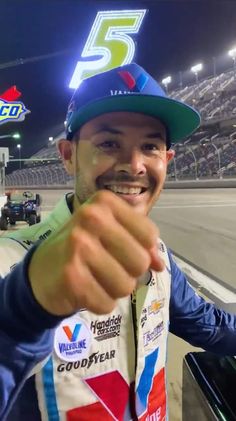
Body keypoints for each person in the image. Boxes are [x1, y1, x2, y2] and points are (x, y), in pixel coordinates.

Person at [0, 63, 236, 421]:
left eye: (151, 146)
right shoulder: (10, 262)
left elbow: (205, 323)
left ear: (167, 160)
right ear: (68, 155)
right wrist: (21, 309)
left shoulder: (157, 255)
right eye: (109, 143)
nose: (134, 164)